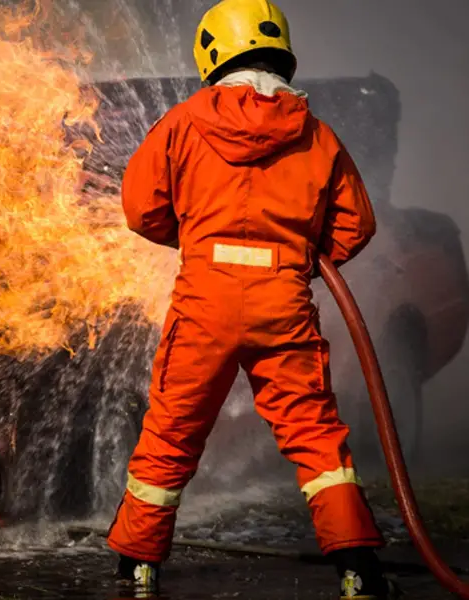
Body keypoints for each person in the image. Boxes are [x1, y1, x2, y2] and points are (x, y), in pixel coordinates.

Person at [106, 1, 395, 598]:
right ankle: (357, 569)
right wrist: (298, 259)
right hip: (283, 306)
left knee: (171, 432)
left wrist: (196, 236)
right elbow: (356, 226)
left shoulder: (183, 123)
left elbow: (140, 209)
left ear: (213, 53)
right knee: (316, 435)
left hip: (204, 305)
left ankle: (138, 567)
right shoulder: (317, 135)